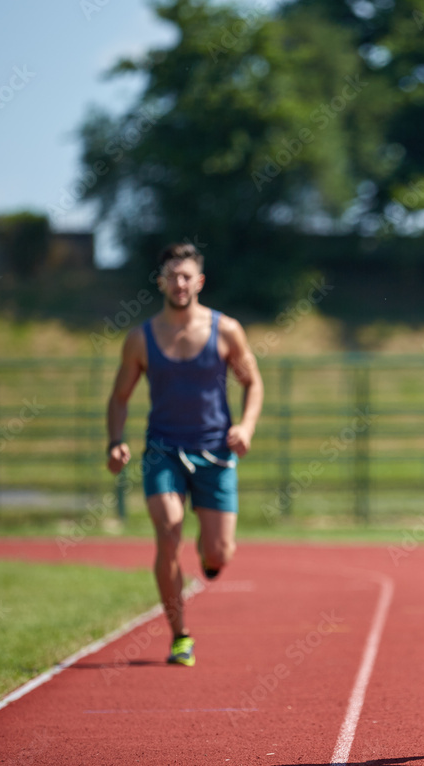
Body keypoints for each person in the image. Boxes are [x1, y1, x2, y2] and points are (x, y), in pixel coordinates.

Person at [105, 242, 264, 667]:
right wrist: (115, 441)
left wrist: (245, 427)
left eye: (186, 275)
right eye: (172, 276)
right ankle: (180, 635)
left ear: (200, 281)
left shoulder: (226, 330)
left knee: (219, 553)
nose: (179, 283)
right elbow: (119, 397)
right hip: (163, 451)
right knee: (168, 528)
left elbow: (253, 383)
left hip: (215, 453)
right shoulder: (140, 338)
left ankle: (209, 550)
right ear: (161, 282)